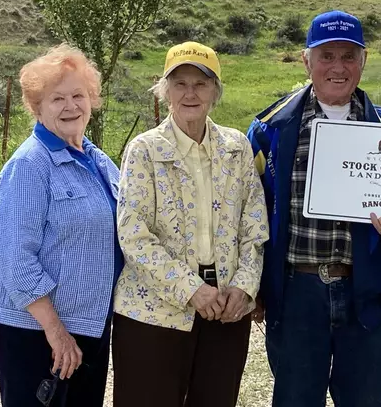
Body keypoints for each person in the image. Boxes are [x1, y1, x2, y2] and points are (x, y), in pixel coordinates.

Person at [247, 10, 381, 407]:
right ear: (306, 60)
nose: (338, 67)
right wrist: (256, 287)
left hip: (366, 292)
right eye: (326, 56)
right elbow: (249, 214)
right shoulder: (269, 130)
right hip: (296, 294)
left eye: (349, 56)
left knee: (364, 399)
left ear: (363, 62)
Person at [112, 42, 269, 407]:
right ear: (165, 91)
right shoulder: (144, 150)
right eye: (179, 83)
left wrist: (244, 289)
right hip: (154, 313)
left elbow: (255, 227)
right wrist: (191, 290)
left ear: (215, 91)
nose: (190, 93)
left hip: (226, 311)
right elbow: (134, 235)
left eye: (201, 83)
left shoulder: (237, 147)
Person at [0, 44, 123, 407]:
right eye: (57, 98)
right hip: (38, 333)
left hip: (89, 326)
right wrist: (56, 331)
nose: (70, 106)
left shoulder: (98, 161)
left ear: (92, 100)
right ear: (37, 107)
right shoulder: (30, 166)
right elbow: (15, 260)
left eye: (78, 95)